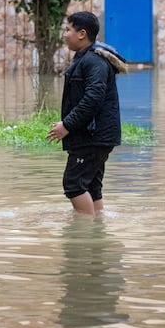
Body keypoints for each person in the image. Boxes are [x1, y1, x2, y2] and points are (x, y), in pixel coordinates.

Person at [47, 11, 124, 215]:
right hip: (94, 135)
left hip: (93, 137)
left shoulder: (93, 62)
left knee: (73, 184)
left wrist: (67, 125)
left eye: (67, 30)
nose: (64, 34)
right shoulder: (86, 59)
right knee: (91, 186)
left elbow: (93, 99)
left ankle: (85, 237)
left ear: (82, 34)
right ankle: (97, 232)